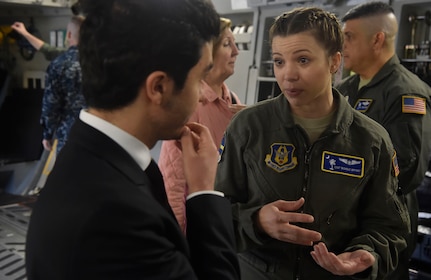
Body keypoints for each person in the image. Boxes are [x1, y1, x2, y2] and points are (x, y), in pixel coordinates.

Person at [25, 0, 241, 279]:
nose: (201, 94)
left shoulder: (90, 158)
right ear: (159, 87)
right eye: (200, 77)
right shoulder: (118, 219)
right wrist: (204, 192)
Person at [215, 6, 409, 280]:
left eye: (303, 60)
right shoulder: (248, 127)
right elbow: (214, 215)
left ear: (334, 62)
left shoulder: (371, 140)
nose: (288, 74)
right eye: (279, 61)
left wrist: (367, 253)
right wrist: (256, 220)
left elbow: (389, 227)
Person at [335, 2, 431, 279]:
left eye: (349, 36)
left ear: (377, 39)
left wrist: (343, 170)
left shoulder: (406, 93)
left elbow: (406, 169)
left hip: (381, 228)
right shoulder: (346, 88)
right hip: (345, 219)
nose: (342, 43)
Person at [158, 17, 245, 233]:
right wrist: (178, 237)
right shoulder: (191, 105)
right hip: (196, 224)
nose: (236, 51)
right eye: (227, 44)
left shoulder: (233, 101)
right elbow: (173, 181)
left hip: (222, 220)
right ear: (207, 53)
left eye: (235, 43)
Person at [40, 15, 85, 154]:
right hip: (98, 137)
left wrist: (47, 134)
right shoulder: (101, 64)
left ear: (69, 34)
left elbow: (51, 106)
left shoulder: (59, 65)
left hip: (68, 136)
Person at [10, 2, 82, 61]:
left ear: (69, 35)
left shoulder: (67, 57)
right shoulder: (79, 56)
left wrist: (24, 33)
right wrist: (24, 33)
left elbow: (46, 49)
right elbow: (45, 48)